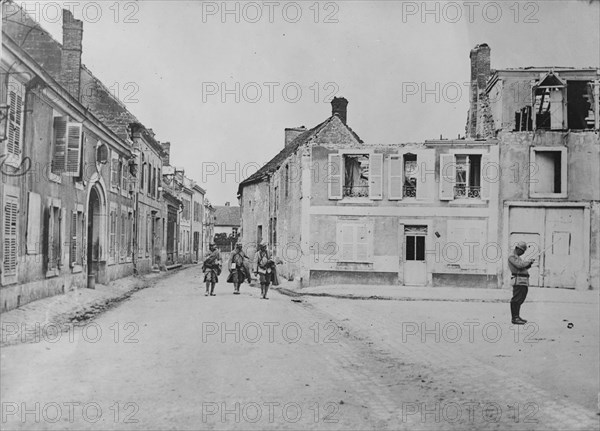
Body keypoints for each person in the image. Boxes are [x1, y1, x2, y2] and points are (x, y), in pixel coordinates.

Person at [508, 241, 535, 325]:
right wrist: (528, 262)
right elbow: (519, 266)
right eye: (522, 251)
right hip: (518, 280)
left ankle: (517, 316)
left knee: (521, 299)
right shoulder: (512, 256)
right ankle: (515, 318)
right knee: (516, 299)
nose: (523, 253)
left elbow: (522, 267)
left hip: (522, 281)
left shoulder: (517, 257)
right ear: (518, 249)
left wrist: (529, 264)